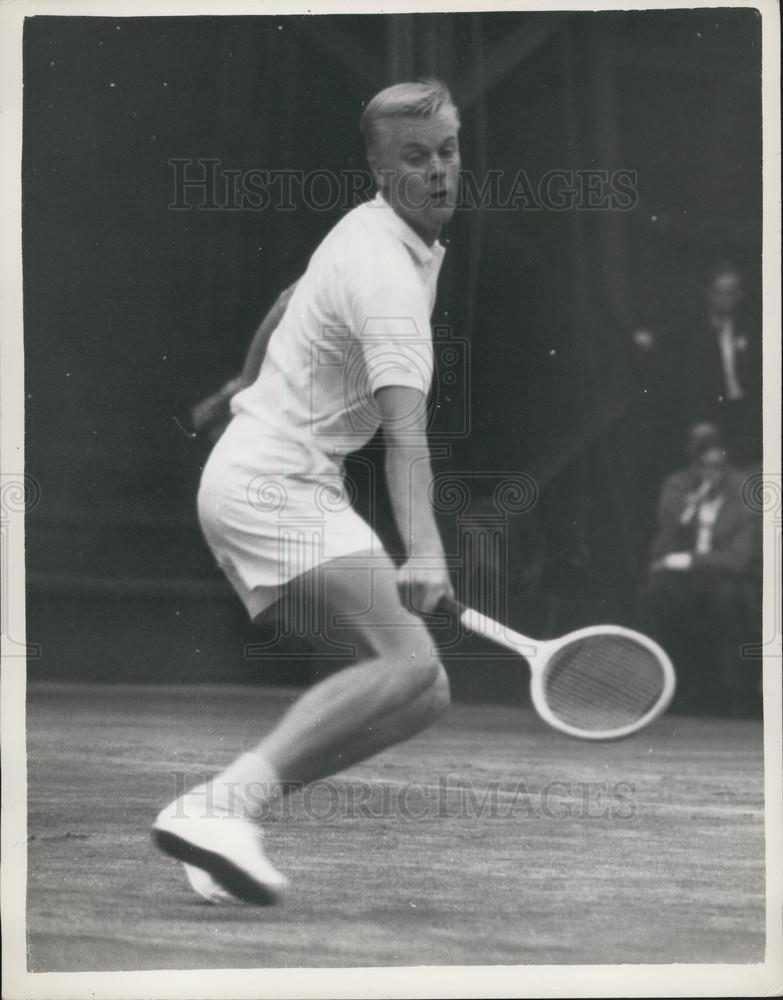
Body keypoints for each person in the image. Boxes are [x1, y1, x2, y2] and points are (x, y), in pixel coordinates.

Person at [153, 80, 462, 904]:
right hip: (271, 483)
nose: (437, 172)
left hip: (276, 473)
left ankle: (226, 822)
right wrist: (424, 547)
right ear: (376, 166)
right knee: (405, 661)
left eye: (447, 150)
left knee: (422, 692)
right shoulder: (389, 283)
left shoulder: (371, 233)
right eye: (413, 158)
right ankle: (219, 807)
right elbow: (405, 438)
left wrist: (239, 386)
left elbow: (290, 301)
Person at [635, 424, 762, 716]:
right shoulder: (678, 487)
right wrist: (684, 513)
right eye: (704, 466)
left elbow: (738, 559)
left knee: (726, 599)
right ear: (694, 465)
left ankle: (734, 696)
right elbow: (661, 551)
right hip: (686, 579)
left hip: (726, 577)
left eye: (718, 467)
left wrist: (689, 560)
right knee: (651, 596)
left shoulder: (741, 494)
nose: (711, 473)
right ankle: (652, 688)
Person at [674, 261, 762, 467]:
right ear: (709, 294)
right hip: (711, 413)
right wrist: (699, 420)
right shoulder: (693, 332)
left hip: (746, 412)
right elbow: (688, 382)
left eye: (733, 291)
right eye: (722, 291)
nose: (728, 298)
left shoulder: (750, 328)